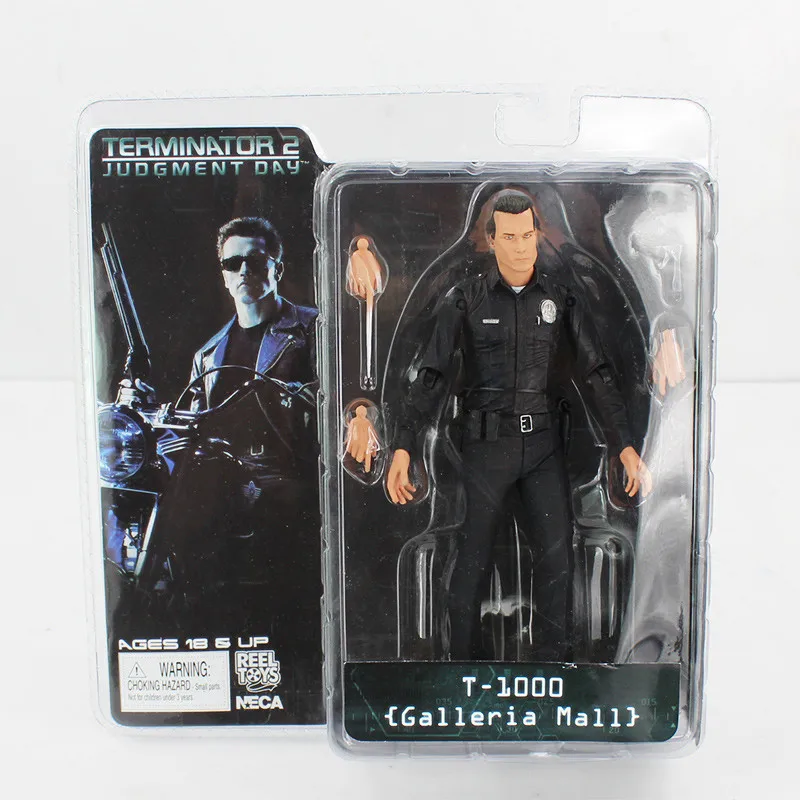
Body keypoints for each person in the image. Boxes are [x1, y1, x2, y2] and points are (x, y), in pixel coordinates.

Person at [349, 191, 652, 661]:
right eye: (509, 237)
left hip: (544, 446)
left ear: (538, 234)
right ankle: (461, 670)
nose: (521, 246)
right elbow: (429, 375)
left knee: (558, 562)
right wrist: (403, 447)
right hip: (486, 448)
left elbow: (597, 374)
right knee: (471, 559)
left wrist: (624, 446)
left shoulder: (560, 299)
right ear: (491, 240)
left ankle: (555, 670)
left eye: (527, 235)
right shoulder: (465, 299)